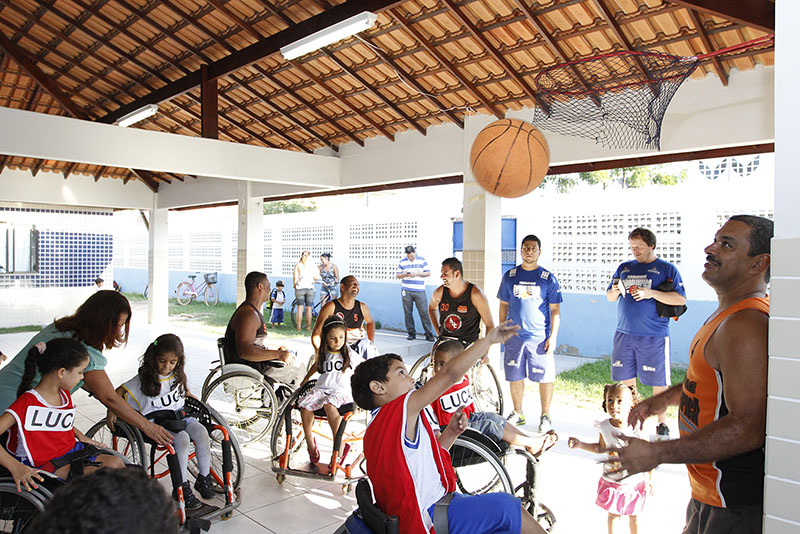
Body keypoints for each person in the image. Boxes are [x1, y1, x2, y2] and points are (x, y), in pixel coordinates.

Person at [606, 215, 773, 534]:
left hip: (731, 502)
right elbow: (711, 380)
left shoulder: (745, 325)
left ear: (757, 264)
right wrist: (663, 400)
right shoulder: (728, 315)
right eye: (715, 239)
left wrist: (657, 453)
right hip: (707, 494)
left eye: (727, 244)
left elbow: (748, 426)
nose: (711, 248)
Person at [351, 323, 547, 534]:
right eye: (401, 373)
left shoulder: (377, 429)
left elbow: (425, 459)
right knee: (508, 508)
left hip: (426, 512)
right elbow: (450, 374)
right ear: (378, 387)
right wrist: (488, 340)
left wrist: (451, 432)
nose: (411, 378)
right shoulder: (400, 410)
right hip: (430, 517)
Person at [0, 291, 172, 446]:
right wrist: (148, 426)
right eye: (118, 326)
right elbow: (108, 397)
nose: (119, 332)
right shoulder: (84, 349)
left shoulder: (63, 328)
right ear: (101, 322)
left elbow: (98, 389)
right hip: (13, 408)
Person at [0, 338, 124, 492]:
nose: (82, 377)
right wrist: (15, 467)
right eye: (80, 372)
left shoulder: (63, 395)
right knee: (103, 478)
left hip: (67, 452)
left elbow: (56, 420)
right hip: (43, 462)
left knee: (117, 464)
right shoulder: (27, 402)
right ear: (62, 372)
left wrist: (81, 436)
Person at [110, 334, 213, 509]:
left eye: (172, 362)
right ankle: (182, 487)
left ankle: (204, 479)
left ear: (178, 361)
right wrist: (111, 409)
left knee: (202, 432)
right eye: (162, 361)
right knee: (182, 439)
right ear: (153, 358)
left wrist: (190, 396)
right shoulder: (142, 379)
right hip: (158, 422)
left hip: (180, 416)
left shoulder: (177, 375)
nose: (167, 366)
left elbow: (183, 392)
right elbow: (117, 392)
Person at [606, 227, 686, 439]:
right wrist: (613, 292)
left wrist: (651, 293)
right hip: (624, 333)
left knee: (658, 382)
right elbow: (610, 297)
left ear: (651, 245)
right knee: (625, 380)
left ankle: (662, 424)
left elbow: (680, 299)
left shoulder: (666, 269)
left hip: (654, 334)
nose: (635, 251)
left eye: (639, 247)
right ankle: (632, 419)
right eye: (632, 247)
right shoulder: (624, 268)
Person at [429, 340, 557, 455]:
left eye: (442, 364)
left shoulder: (463, 377)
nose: (437, 368)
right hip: (451, 428)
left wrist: (482, 354)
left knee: (494, 417)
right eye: (435, 363)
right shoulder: (434, 387)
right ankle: (531, 443)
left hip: (469, 418)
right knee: (490, 425)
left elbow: (469, 359)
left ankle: (531, 442)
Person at [498, 235, 563, 431]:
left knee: (545, 377)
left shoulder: (547, 278)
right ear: (521, 250)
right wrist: (502, 328)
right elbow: (503, 304)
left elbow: (555, 311)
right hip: (514, 337)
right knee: (514, 375)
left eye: (533, 248)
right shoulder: (510, 276)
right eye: (526, 247)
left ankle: (545, 416)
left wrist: (553, 336)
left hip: (539, 338)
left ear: (539, 252)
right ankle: (518, 413)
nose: (529, 251)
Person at [568, 384, 651, 534]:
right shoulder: (605, 427)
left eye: (620, 401)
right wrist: (581, 444)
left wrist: (650, 478)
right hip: (614, 481)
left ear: (632, 405)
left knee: (634, 516)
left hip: (634, 481)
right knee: (613, 514)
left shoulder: (637, 427)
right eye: (610, 400)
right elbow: (600, 447)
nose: (614, 405)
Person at [30, 467, 178, 534]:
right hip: (49, 462)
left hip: (67, 452)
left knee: (116, 461)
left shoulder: (65, 403)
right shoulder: (25, 407)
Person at [224, 272, 303, 388]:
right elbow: (245, 351)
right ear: (260, 286)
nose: (270, 289)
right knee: (299, 374)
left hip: (257, 367)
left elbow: (257, 343)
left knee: (298, 365)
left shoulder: (252, 312)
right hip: (253, 370)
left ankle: (277, 402)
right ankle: (277, 404)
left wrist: (278, 349)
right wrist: (278, 354)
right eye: (268, 286)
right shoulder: (248, 315)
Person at [298, 317, 354, 466]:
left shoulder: (348, 352)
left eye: (341, 337)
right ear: (326, 338)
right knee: (305, 406)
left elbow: (363, 368)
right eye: (333, 338)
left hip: (340, 391)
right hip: (322, 389)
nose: (338, 341)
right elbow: (316, 366)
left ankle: (339, 446)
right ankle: (311, 444)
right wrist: (305, 379)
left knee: (330, 405)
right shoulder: (323, 352)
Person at [428, 257, 495, 346]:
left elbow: (490, 325)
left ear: (457, 274)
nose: (441, 276)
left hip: (467, 345)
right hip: (445, 343)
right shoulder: (439, 292)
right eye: (441, 273)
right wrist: (438, 331)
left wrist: (485, 351)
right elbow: (431, 308)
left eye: (445, 273)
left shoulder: (476, 294)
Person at [312, 275, 377, 361]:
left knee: (368, 347)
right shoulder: (330, 307)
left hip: (358, 344)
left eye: (357, 285)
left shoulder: (362, 307)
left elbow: (370, 322)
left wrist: (371, 341)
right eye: (353, 284)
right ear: (342, 286)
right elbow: (317, 331)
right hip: (339, 345)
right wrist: (319, 351)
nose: (356, 287)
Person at [396, 245, 435, 341]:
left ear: (415, 252)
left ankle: (428, 333)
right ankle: (411, 333)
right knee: (408, 312)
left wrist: (416, 274)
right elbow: (398, 275)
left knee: (424, 312)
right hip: (406, 290)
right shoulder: (402, 262)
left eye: (412, 256)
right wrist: (405, 274)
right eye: (409, 256)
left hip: (419, 290)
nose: (411, 258)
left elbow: (428, 273)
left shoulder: (422, 260)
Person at [293, 250, 318, 332]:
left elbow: (295, 278)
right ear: (309, 256)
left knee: (300, 308)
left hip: (299, 288)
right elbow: (316, 277)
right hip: (310, 288)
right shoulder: (313, 265)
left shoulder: (298, 265)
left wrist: (295, 286)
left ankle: (299, 328)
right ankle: (308, 327)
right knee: (309, 308)